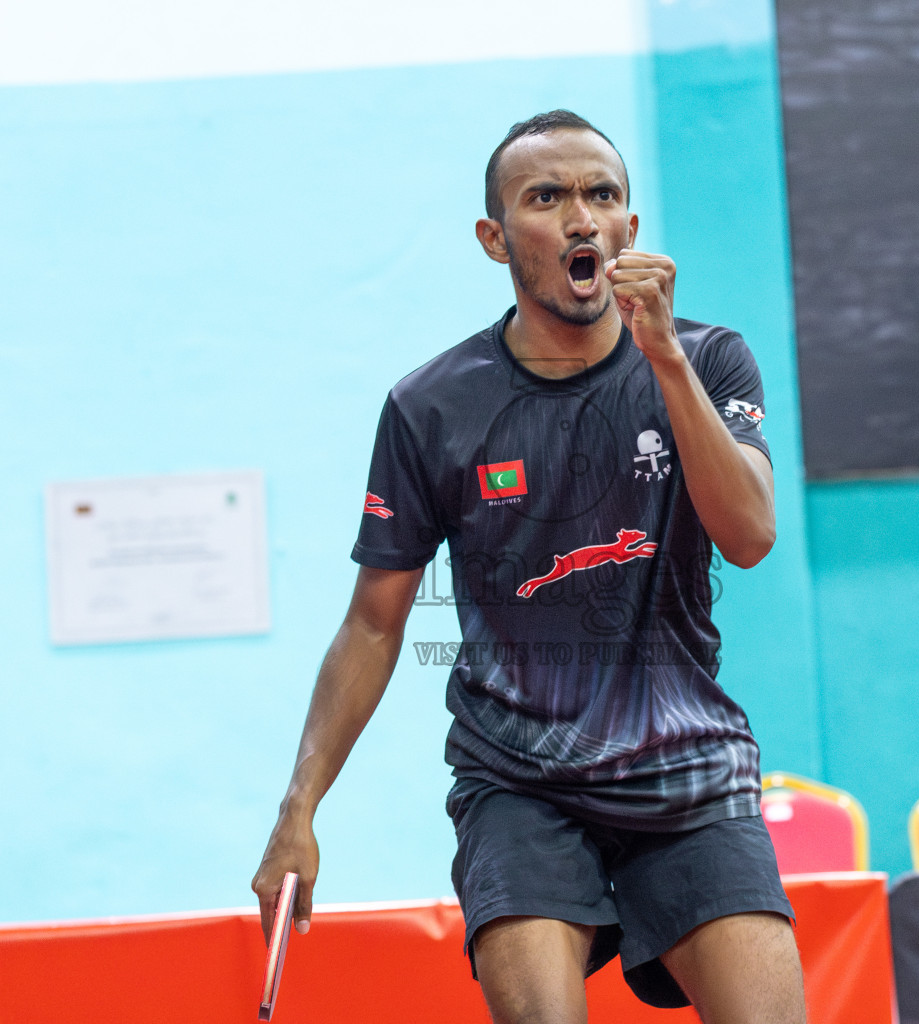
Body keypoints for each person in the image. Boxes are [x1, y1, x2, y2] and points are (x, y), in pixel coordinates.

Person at [252, 109, 807, 1024]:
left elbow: (748, 537)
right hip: (519, 779)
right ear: (495, 238)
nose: (581, 217)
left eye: (602, 195)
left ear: (629, 224)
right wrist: (298, 808)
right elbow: (374, 624)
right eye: (546, 198)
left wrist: (664, 359)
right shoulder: (432, 407)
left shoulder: (708, 358)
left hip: (686, 766)